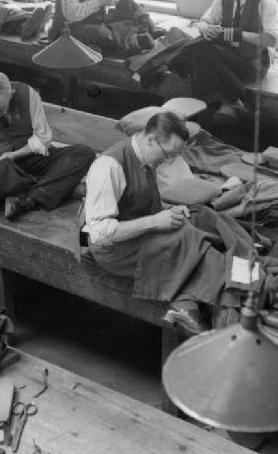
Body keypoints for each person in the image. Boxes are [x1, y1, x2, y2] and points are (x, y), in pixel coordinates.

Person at [84, 111, 237, 337]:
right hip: (114, 249)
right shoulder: (108, 166)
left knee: (200, 217)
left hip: (137, 233)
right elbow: (99, 233)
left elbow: (142, 204)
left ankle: (198, 304)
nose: (168, 160)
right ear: (150, 139)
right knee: (188, 238)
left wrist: (168, 212)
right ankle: (228, 294)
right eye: (168, 154)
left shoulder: (145, 156)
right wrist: (155, 221)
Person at [0, 71, 95, 219]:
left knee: (84, 153)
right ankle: (47, 188)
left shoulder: (28, 95)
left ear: (11, 95)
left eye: (1, 109)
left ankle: (28, 200)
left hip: (30, 156)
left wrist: (13, 155)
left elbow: (43, 138)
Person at [171, 0, 278, 126]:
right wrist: (206, 28)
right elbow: (203, 21)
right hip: (228, 59)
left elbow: (273, 40)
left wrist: (239, 35)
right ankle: (232, 101)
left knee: (201, 57)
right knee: (201, 51)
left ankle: (218, 106)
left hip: (253, 62)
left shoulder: (265, 1)